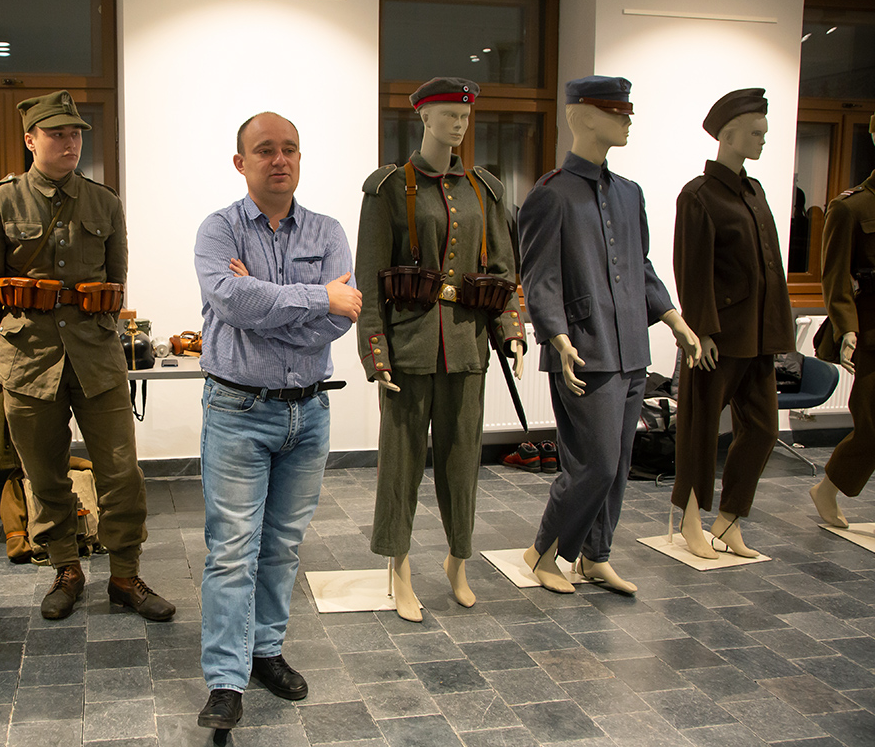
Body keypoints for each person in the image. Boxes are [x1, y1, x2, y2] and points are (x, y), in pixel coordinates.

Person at [0, 91, 174, 623]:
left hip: (97, 360)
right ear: (30, 140)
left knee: (121, 473)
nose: (69, 142)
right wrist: (0, 359)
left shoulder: (104, 203)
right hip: (28, 361)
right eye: (57, 134)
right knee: (45, 475)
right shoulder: (0, 204)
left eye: (76, 133)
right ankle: (65, 568)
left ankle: (124, 575)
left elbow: (115, 281)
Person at [193, 112, 360, 730]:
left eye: (289, 148)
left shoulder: (328, 230)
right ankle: (225, 680)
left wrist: (264, 300)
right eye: (265, 150)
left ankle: (264, 651)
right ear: (241, 162)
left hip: (309, 412)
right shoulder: (219, 230)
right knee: (232, 551)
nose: (279, 159)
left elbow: (341, 318)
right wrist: (316, 296)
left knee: (283, 546)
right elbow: (230, 299)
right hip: (238, 411)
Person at [517, 76, 700, 595]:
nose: (626, 121)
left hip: (630, 349)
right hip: (583, 349)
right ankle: (544, 551)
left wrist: (673, 317)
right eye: (616, 113)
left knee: (618, 464)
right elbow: (540, 278)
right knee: (593, 463)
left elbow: (640, 265)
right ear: (582, 116)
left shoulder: (629, 193)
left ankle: (596, 556)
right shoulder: (550, 194)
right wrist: (556, 336)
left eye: (626, 113)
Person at [355, 77, 525, 622]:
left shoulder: (484, 189)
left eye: (465, 116)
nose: (459, 124)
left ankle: (458, 560)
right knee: (400, 466)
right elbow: (371, 280)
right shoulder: (387, 189)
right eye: (449, 114)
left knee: (462, 462)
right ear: (424, 117)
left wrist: (512, 331)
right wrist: (376, 355)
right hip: (409, 349)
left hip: (467, 347)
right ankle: (399, 567)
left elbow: (503, 269)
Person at [671, 89, 794, 559]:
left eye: (764, 133)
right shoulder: (698, 196)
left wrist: (777, 328)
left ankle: (729, 520)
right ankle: (690, 521)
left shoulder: (754, 192)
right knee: (700, 430)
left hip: (759, 336)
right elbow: (691, 268)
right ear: (727, 134)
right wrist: (700, 330)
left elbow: (770, 266)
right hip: (719, 337)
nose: (762, 140)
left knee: (763, 429)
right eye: (756, 133)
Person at [811, 113, 875, 527]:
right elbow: (834, 277)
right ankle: (828, 488)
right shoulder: (850, 206)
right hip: (869, 333)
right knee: (871, 426)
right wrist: (846, 328)